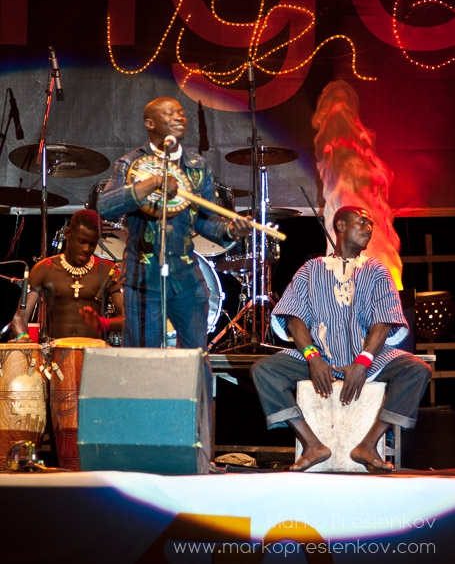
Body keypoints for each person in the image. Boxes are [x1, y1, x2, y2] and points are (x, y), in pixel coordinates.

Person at [251, 205, 432, 473]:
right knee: (264, 370)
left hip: (369, 359)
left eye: (371, 225)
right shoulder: (311, 270)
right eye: (362, 222)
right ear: (340, 226)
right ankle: (312, 444)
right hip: (320, 357)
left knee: (417, 370)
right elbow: (293, 318)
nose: (368, 229)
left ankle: (368, 444)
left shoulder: (377, 270)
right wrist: (312, 357)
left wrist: (363, 361)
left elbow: (384, 321)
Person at [97, 96, 252, 387]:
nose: (179, 117)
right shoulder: (130, 163)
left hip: (186, 276)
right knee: (142, 361)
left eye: (181, 113)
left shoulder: (196, 166)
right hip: (143, 276)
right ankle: (146, 414)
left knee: (196, 359)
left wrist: (231, 230)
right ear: (150, 123)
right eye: (170, 113)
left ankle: (196, 414)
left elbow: (205, 221)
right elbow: (106, 206)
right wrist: (152, 183)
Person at [11, 209, 123, 342]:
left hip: (93, 351)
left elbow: (128, 319)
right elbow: (20, 317)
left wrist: (102, 323)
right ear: (67, 234)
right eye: (81, 241)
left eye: (92, 244)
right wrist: (23, 338)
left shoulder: (108, 270)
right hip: (56, 350)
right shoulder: (44, 269)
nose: (86, 249)